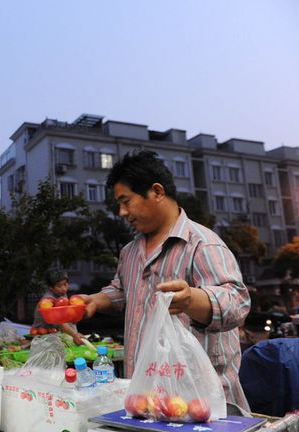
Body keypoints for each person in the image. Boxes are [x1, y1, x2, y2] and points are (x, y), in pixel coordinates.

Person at [81, 150, 251, 410]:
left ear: (157, 192)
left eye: (126, 201)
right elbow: (121, 290)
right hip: (145, 397)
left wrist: (191, 299)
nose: (122, 212)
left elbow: (237, 302)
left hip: (201, 402)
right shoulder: (130, 251)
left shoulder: (202, 244)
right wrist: (95, 300)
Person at [33, 269, 85, 345]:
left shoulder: (61, 294)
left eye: (65, 284)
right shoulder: (47, 301)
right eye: (59, 286)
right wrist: (74, 335)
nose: (64, 288)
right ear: (51, 287)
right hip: (43, 337)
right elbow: (61, 323)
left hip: (58, 333)